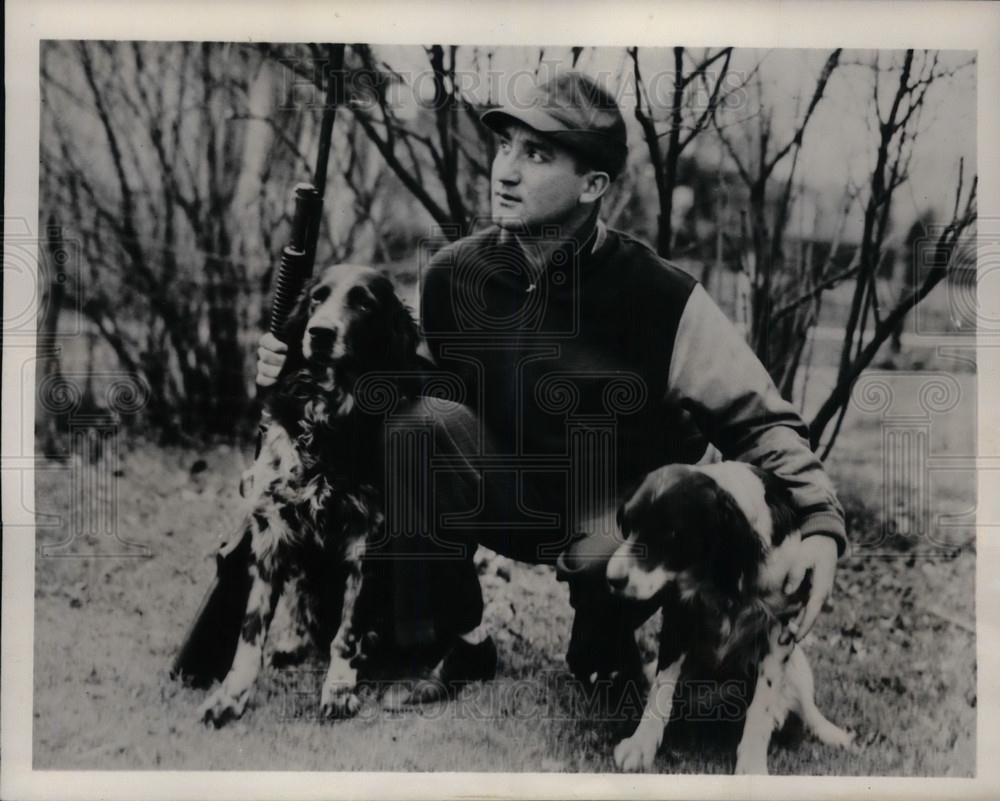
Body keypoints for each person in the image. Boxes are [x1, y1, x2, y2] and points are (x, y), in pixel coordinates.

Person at [256, 71, 846, 706]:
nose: (505, 171)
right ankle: (457, 635)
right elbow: (405, 383)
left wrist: (818, 522)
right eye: (505, 147)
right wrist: (296, 367)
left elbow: (760, 419)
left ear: (593, 185)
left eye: (536, 154)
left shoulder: (662, 296)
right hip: (512, 489)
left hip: (620, 506)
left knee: (602, 576)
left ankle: (602, 648)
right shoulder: (455, 275)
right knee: (413, 428)